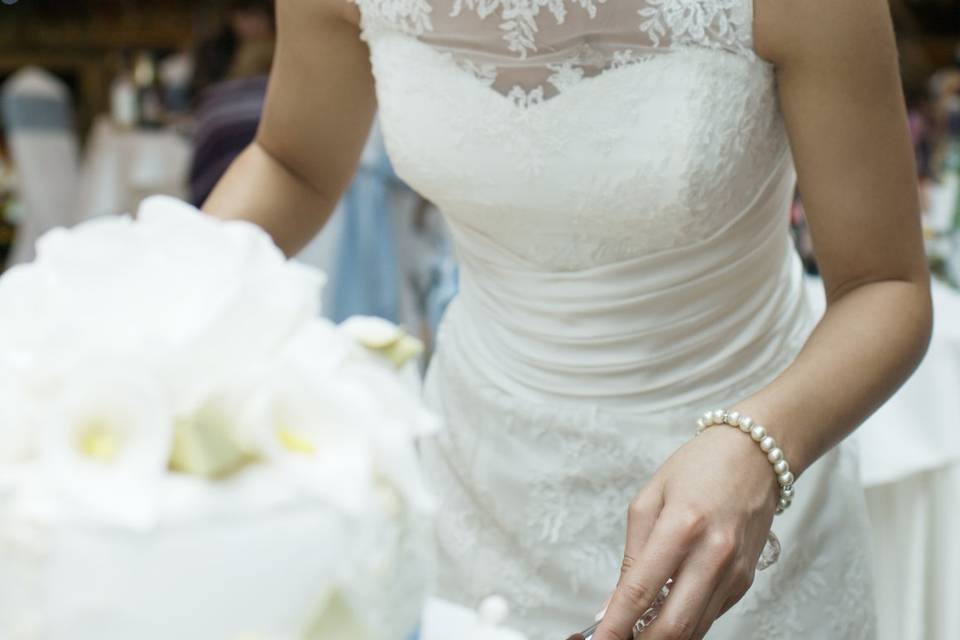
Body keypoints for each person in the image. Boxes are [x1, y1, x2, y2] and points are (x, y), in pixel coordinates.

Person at [204, 0, 932, 638]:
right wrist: (156, 286)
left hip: (746, 492)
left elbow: (885, 285)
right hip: (477, 482)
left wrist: (759, 446)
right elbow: (292, 164)